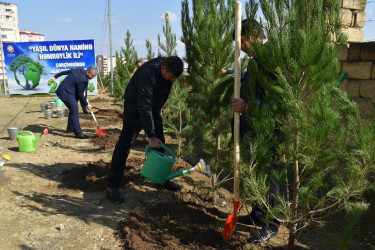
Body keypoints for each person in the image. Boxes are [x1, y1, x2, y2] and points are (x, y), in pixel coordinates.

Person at [226, 19, 281, 244]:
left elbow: (278, 100)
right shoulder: (257, 60)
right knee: (256, 172)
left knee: (271, 177)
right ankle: (259, 213)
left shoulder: (271, 59)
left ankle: (272, 225)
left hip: (269, 131)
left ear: (255, 34)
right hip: (255, 130)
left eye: (242, 42)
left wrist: (249, 106)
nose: (240, 48)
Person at [107, 56, 184, 204]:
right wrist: (151, 135)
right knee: (125, 144)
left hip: (152, 108)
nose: (172, 80)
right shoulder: (148, 73)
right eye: (170, 77)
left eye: (174, 78)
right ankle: (112, 185)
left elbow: (161, 92)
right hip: (134, 107)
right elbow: (144, 105)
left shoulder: (168, 70)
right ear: (163, 68)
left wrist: (159, 107)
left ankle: (161, 179)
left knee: (160, 142)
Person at [51, 66, 97, 139]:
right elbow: (80, 95)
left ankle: (70, 128)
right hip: (65, 92)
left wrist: (55, 76)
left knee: (73, 109)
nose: (92, 78)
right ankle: (78, 133)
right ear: (88, 72)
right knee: (74, 109)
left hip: (68, 91)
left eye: (94, 76)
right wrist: (87, 104)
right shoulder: (83, 80)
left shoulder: (79, 69)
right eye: (92, 76)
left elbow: (66, 72)